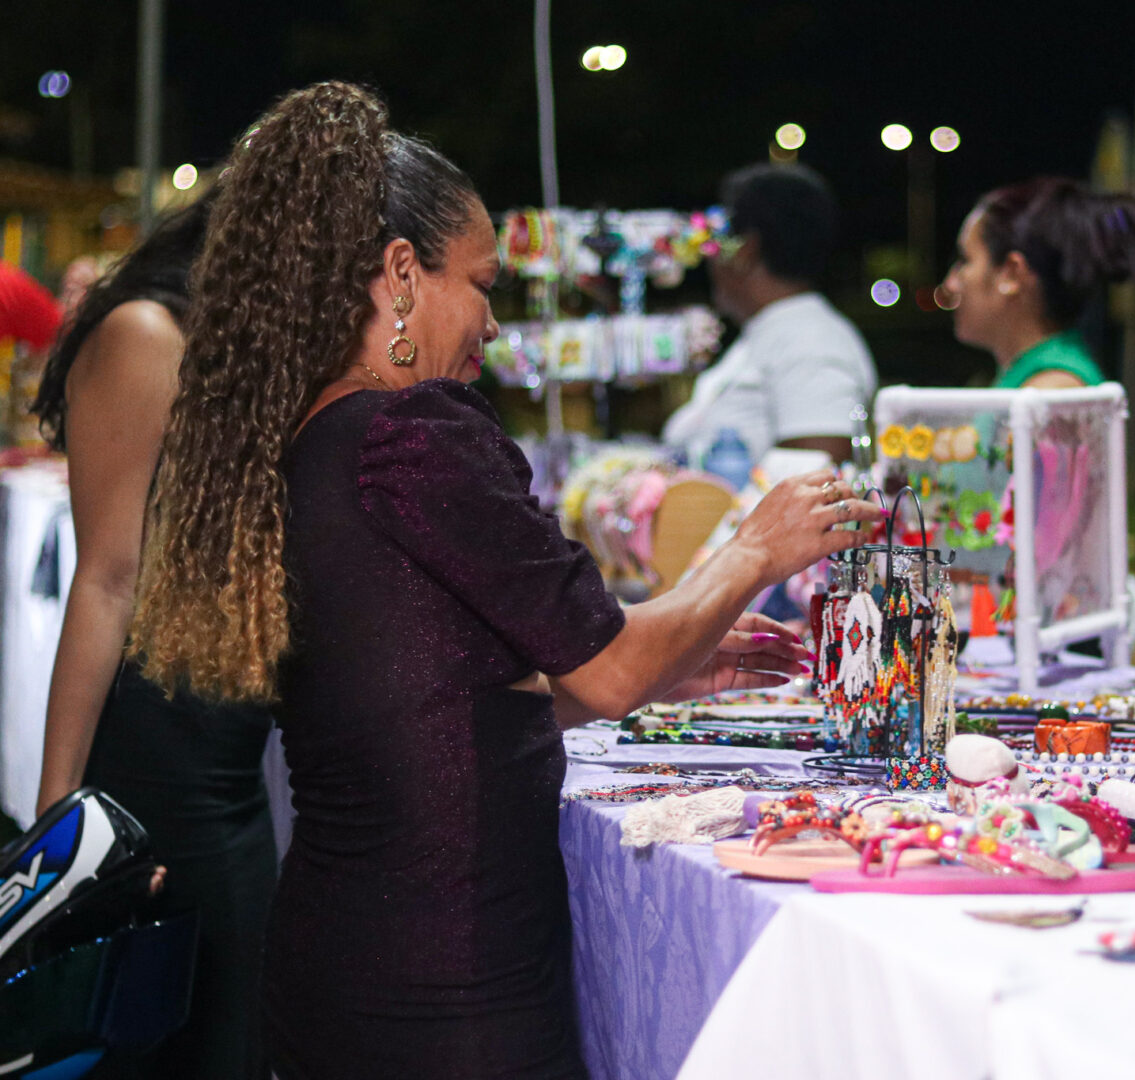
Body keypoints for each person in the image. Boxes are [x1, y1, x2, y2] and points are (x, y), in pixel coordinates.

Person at [124, 82, 885, 1080]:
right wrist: (754, 550)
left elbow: (425, 703)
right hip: (445, 987)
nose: (492, 325)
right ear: (402, 274)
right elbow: (610, 670)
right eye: (483, 285)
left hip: (347, 965)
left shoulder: (316, 434)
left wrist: (672, 656)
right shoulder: (413, 435)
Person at [31, 189, 276, 1080]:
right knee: (170, 1038)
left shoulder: (234, 348)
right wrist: (58, 822)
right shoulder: (144, 332)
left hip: (229, 756)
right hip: (161, 758)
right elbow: (106, 578)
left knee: (224, 1031)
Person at [662, 163, 876, 466]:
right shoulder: (776, 330)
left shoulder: (810, 340)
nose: (708, 258)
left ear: (745, 250)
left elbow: (820, 477)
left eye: (714, 239)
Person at [943, 176, 1135, 389]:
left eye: (965, 261)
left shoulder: (1054, 388)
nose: (950, 284)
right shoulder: (1028, 374)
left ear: (1011, 274)